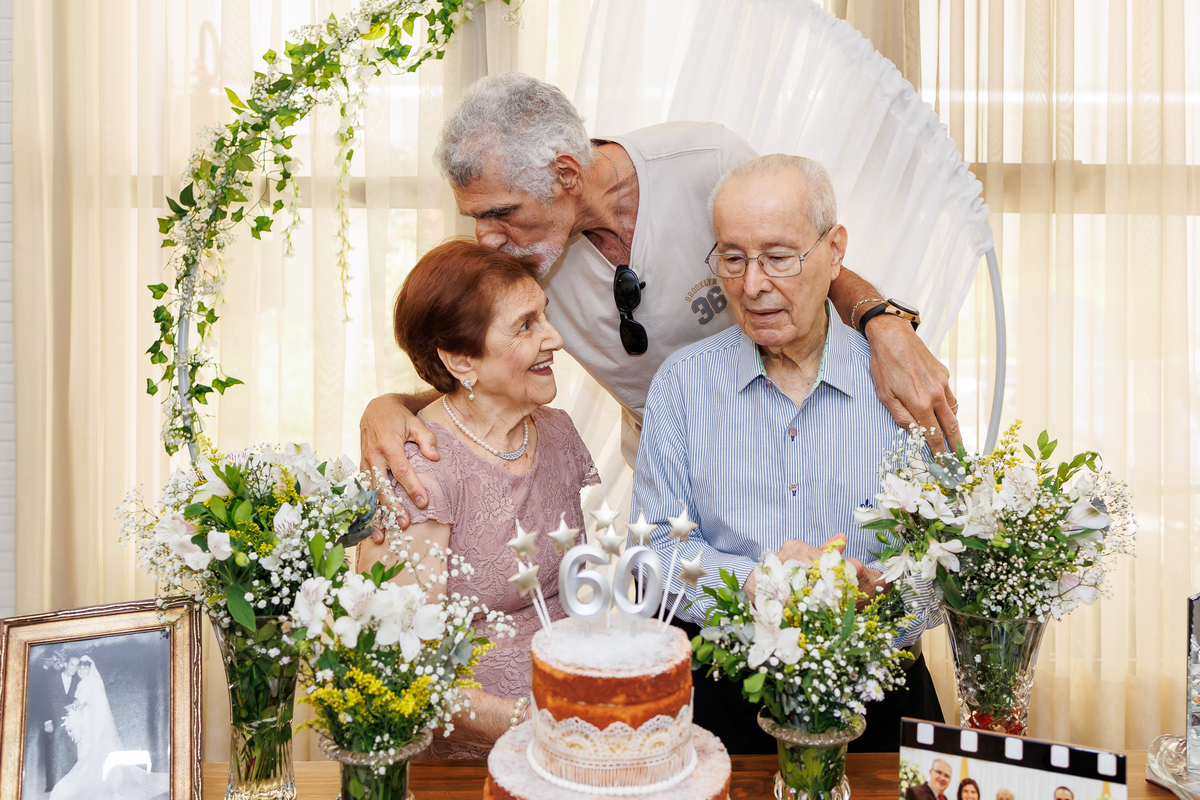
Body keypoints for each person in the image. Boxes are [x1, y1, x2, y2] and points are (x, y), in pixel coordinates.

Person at [358, 73, 961, 529]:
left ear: (568, 173)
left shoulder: (706, 163)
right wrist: (391, 405)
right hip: (676, 477)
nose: (487, 237)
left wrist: (883, 322)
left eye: (501, 212)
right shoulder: (518, 262)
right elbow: (481, 370)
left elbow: (799, 259)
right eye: (476, 217)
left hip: (797, 431)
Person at [631, 154, 943, 753]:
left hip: (877, 692)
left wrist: (873, 596)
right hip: (725, 696)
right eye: (733, 258)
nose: (752, 285)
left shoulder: (904, 383)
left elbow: (946, 555)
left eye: (778, 257)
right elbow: (654, 551)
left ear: (835, 250)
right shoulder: (683, 385)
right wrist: (754, 582)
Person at [357, 240, 598, 758]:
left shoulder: (557, 432)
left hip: (584, 720)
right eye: (525, 324)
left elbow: (578, 587)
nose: (553, 337)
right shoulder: (418, 474)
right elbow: (402, 674)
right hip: (482, 756)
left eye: (545, 316)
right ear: (460, 358)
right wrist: (541, 726)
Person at [49, 656, 168, 800]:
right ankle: (91, 776)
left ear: (90, 669)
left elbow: (86, 701)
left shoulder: (92, 681)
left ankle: (98, 782)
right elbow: (79, 699)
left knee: (92, 750)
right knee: (86, 750)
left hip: (94, 721)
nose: (81, 670)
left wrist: (74, 706)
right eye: (79, 667)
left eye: (84, 668)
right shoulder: (82, 682)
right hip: (87, 720)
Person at [29, 653, 79, 792]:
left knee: (69, 750)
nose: (74, 668)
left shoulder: (78, 680)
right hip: (53, 719)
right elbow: (43, 699)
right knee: (53, 751)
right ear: (65, 664)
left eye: (76, 665)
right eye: (72, 664)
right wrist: (47, 720)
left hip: (70, 721)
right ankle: (53, 784)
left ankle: (69, 783)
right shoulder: (51, 678)